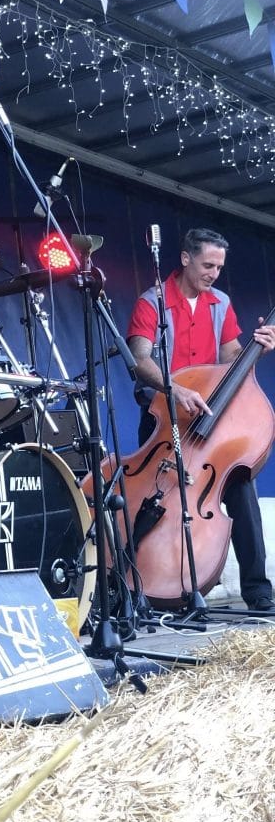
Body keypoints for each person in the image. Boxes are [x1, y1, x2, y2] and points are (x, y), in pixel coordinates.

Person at [127, 226, 275, 611]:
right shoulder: (151, 302)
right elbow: (139, 359)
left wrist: (255, 352)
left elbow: (230, 358)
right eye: (208, 264)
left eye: (219, 267)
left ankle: (258, 589)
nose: (214, 273)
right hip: (165, 417)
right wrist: (175, 388)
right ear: (185, 258)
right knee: (157, 498)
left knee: (241, 489)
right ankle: (140, 581)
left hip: (210, 419)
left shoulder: (220, 303)